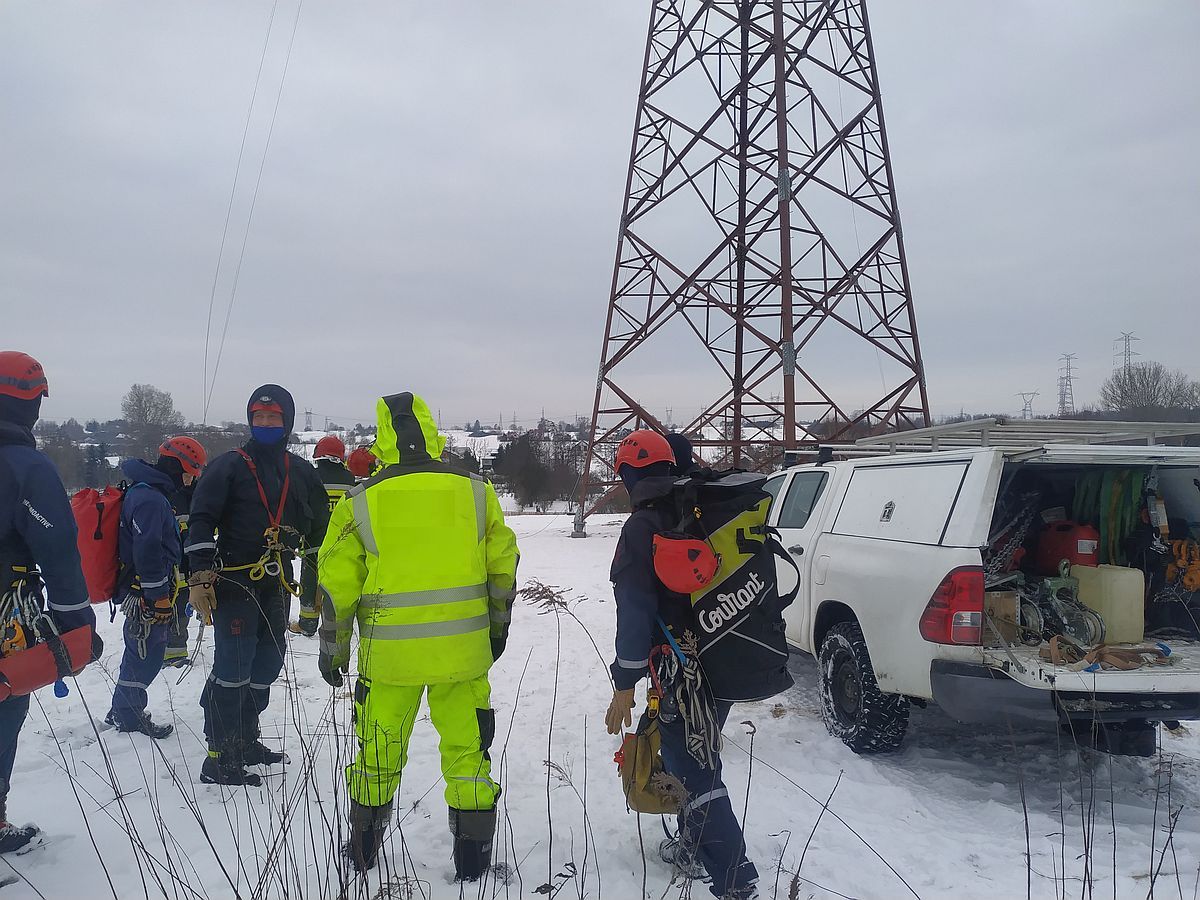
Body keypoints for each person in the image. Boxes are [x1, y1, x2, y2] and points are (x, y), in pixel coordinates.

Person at [318, 392, 519, 880]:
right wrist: (496, 627)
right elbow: (502, 569)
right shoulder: (476, 491)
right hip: (463, 655)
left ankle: (362, 853)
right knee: (469, 754)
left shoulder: (360, 500)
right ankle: (472, 866)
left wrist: (334, 648)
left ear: (383, 437)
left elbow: (335, 586)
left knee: (377, 753)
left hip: (389, 662)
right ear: (430, 431)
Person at [604, 430, 758, 900]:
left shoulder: (643, 526)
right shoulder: (702, 508)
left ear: (631, 474)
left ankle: (734, 878)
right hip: (728, 650)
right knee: (692, 754)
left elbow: (634, 608)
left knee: (692, 767)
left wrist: (625, 683)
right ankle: (694, 845)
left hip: (680, 667)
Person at [185, 385, 329, 786]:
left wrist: (325, 573)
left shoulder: (300, 472)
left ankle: (247, 740)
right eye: (259, 417)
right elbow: (200, 520)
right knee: (232, 668)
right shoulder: (228, 466)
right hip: (233, 580)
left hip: (277, 581)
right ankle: (220, 755)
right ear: (250, 420)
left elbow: (320, 529)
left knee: (267, 664)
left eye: (274, 417)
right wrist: (198, 576)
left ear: (288, 421)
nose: (266, 424)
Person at [0, 351, 100, 852]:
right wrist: (77, 623)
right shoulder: (26, 469)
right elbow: (59, 552)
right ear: (33, 403)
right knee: (4, 705)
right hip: (5, 613)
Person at [105, 436, 206, 737]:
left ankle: (123, 708)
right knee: (147, 655)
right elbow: (148, 550)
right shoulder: (150, 499)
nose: (190, 481)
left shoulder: (151, 493)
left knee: (140, 651)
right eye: (190, 472)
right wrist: (158, 597)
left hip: (146, 591)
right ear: (179, 467)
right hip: (145, 594)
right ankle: (128, 714)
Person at [290, 435, 354, 637]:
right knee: (338, 585)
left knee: (310, 582)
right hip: (343, 544)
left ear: (319, 456)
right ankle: (338, 624)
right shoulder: (350, 480)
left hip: (314, 541)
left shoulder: (311, 477)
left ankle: (307, 624)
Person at [163, 472, 197, 668]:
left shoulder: (198, 492)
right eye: (184, 473)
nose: (188, 478)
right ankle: (164, 650)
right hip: (169, 563)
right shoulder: (164, 494)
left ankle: (175, 650)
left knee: (182, 603)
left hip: (188, 561)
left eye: (191, 473)